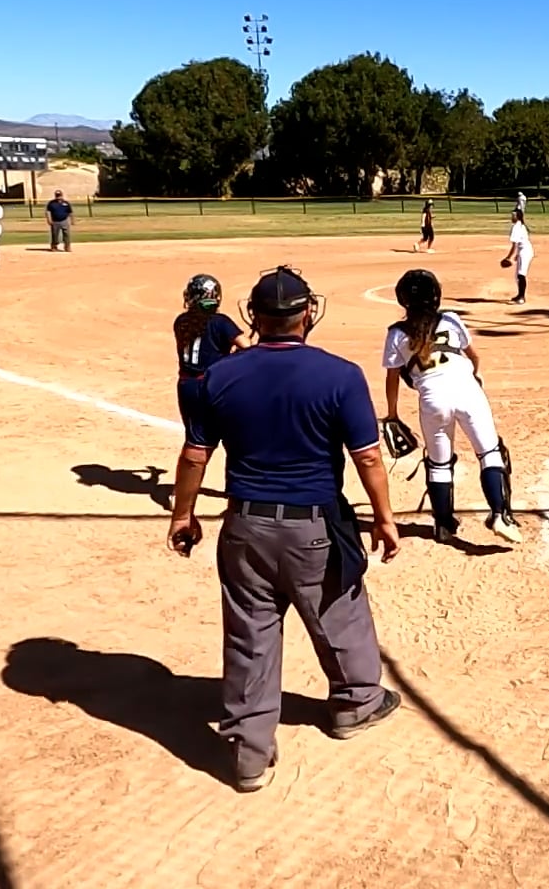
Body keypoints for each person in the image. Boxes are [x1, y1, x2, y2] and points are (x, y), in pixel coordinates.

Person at [168, 267, 404, 794]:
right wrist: (385, 518)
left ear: (253, 316)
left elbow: (195, 454)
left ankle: (249, 753)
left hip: (245, 525)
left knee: (250, 631)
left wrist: (183, 515)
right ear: (307, 313)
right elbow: (367, 456)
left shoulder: (219, 377)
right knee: (338, 608)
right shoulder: (340, 375)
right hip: (314, 524)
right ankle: (356, 703)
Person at [382, 269, 521, 545]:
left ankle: (443, 524)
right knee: (490, 453)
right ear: (436, 296)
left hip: (432, 400)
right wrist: (475, 376)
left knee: (439, 463)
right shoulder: (451, 319)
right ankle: (499, 514)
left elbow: (392, 378)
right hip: (467, 390)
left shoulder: (396, 334)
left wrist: (393, 414)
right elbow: (474, 357)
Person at [174, 274, 248, 430]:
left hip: (187, 385)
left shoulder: (180, 321)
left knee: (195, 438)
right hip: (213, 385)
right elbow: (247, 346)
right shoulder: (221, 322)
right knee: (231, 433)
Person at [501, 209, 533, 304]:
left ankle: (522, 297)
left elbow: (514, 245)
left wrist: (508, 257)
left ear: (518, 217)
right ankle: (519, 295)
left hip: (525, 252)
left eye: (514, 215)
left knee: (521, 274)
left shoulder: (516, 227)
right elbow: (521, 242)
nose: (512, 217)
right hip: (523, 251)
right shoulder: (520, 225)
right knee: (517, 276)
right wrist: (518, 254)